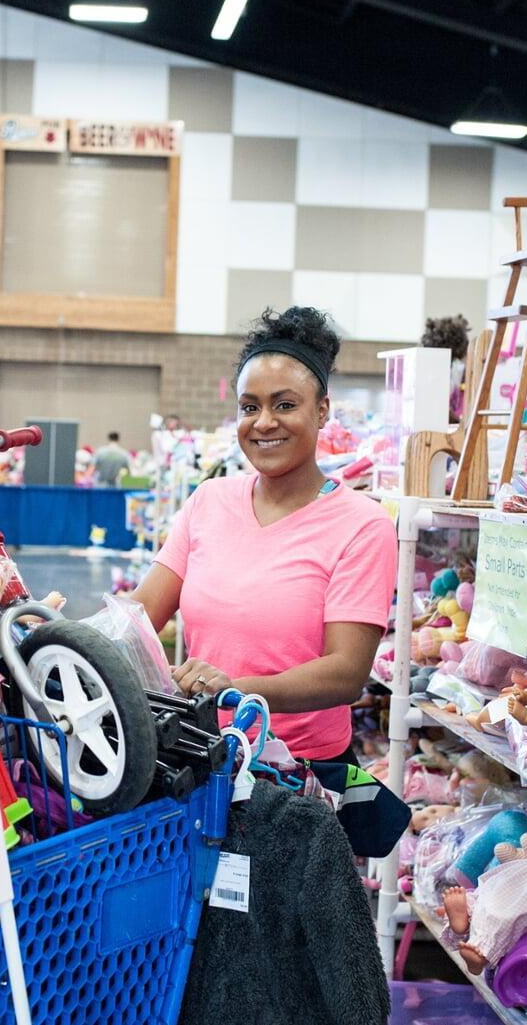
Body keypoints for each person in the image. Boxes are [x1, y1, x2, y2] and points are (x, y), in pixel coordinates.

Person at [129, 307, 396, 762]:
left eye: (285, 404)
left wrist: (235, 691)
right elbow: (138, 616)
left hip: (298, 773)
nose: (264, 422)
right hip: (203, 754)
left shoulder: (362, 525)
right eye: (249, 407)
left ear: (322, 410)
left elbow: (346, 672)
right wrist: (55, 634)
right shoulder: (208, 501)